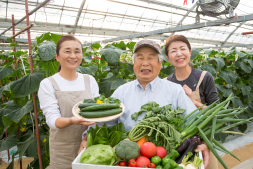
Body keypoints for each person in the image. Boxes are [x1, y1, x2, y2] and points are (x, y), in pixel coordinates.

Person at [79, 39, 210, 168]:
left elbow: (194, 121)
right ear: (133, 63)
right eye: (140, 58)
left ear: (160, 63)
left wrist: (203, 142)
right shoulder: (121, 92)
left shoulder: (175, 91)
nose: (145, 63)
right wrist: (86, 138)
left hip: (164, 160)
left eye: (151, 58)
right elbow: (105, 122)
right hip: (127, 161)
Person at [38, 35, 99, 169]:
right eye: (67, 51)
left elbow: (98, 114)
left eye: (77, 51)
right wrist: (73, 120)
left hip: (89, 143)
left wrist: (87, 138)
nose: (73, 56)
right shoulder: (48, 84)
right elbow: (52, 121)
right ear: (57, 56)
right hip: (62, 148)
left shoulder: (90, 80)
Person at [165, 35, 219, 169]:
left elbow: (217, 113)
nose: (178, 54)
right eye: (173, 51)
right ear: (168, 58)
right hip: (176, 146)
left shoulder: (204, 78)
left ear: (190, 52)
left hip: (203, 142)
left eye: (182, 49)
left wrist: (193, 101)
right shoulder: (166, 83)